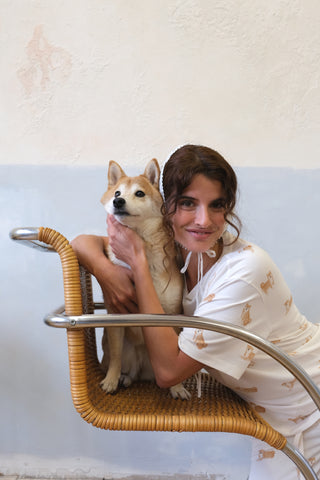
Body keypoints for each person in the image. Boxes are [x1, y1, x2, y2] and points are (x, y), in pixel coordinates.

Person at [71, 144, 320, 480]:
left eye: (217, 206)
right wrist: (107, 271)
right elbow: (82, 242)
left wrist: (139, 265)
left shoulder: (244, 273)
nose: (204, 221)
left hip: (310, 404)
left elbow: (169, 372)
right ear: (166, 208)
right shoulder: (181, 247)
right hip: (274, 414)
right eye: (188, 203)